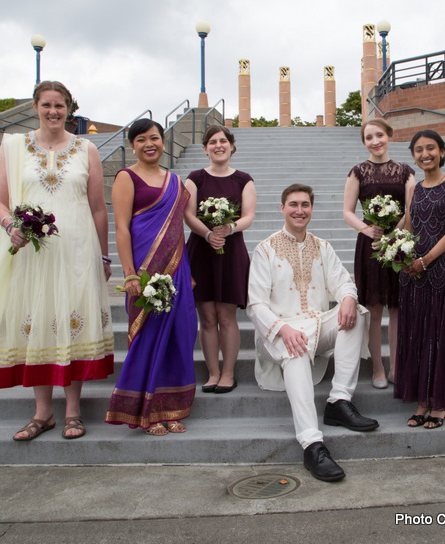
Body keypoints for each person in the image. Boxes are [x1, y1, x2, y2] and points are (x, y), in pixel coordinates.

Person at [0, 81, 113, 440]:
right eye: (46, 105)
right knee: (39, 323)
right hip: (32, 254)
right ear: (35, 107)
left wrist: (104, 256)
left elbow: (97, 208)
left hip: (77, 252)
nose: (53, 112)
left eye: (60, 106)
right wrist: (10, 224)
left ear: (69, 109)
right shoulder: (14, 147)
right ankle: (43, 413)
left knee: (71, 321)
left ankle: (73, 412)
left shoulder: (86, 148)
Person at [247, 184, 379, 483]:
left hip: (316, 327)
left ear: (311, 209)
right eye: (293, 204)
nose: (299, 210)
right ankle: (312, 444)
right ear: (282, 208)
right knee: (294, 349)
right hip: (278, 332)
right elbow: (255, 305)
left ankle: (338, 402)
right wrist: (282, 328)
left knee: (355, 312)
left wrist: (347, 297)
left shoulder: (323, 247)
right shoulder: (265, 249)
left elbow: (344, 282)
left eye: (305, 204)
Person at [104, 119, 198, 435]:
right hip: (144, 274)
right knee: (148, 338)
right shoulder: (126, 178)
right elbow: (121, 229)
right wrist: (130, 274)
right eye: (142, 139)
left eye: (155, 138)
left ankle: (172, 408)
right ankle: (149, 410)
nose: (149, 144)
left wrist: (187, 270)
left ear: (162, 141)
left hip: (177, 272)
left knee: (179, 337)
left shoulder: (175, 180)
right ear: (132, 145)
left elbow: (179, 227)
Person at [395, 130, 445, 429]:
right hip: (413, 273)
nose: (425, 154)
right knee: (418, 337)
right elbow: (409, 224)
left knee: (440, 338)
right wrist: (391, 242)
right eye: (419, 150)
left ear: (442, 151)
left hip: (440, 269)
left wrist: (426, 260)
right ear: (413, 156)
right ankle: (422, 402)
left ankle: (440, 404)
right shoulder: (414, 188)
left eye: (431, 148)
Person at [343, 119, 415, 389]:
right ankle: (377, 369)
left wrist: (395, 232)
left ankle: (396, 367)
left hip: (398, 244)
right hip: (370, 247)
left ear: (389, 136)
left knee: (396, 309)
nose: (375, 141)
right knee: (374, 310)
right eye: (369, 137)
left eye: (379, 135)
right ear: (364, 142)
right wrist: (367, 229)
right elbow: (348, 211)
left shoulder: (406, 171)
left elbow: (411, 208)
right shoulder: (358, 172)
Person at [184, 125, 257, 394]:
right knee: (206, 315)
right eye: (212, 142)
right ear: (205, 148)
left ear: (231, 146)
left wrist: (228, 229)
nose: (218, 145)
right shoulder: (195, 178)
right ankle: (212, 372)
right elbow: (188, 214)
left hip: (231, 248)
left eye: (223, 141)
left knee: (226, 316)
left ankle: (228, 373)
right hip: (201, 249)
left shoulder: (243, 180)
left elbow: (248, 215)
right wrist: (206, 234)